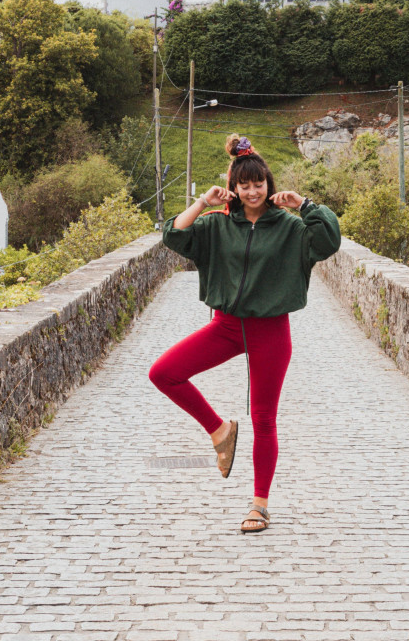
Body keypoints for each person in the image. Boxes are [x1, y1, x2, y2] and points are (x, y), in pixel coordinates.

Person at [149, 134, 341, 532]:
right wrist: (203, 202)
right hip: (225, 327)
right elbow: (174, 235)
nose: (252, 191)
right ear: (234, 188)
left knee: (264, 418)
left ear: (268, 184)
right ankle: (219, 431)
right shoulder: (218, 225)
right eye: (244, 185)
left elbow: (328, 240)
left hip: (270, 330)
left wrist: (304, 205)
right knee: (163, 373)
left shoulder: (289, 226)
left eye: (259, 184)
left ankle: (259, 504)